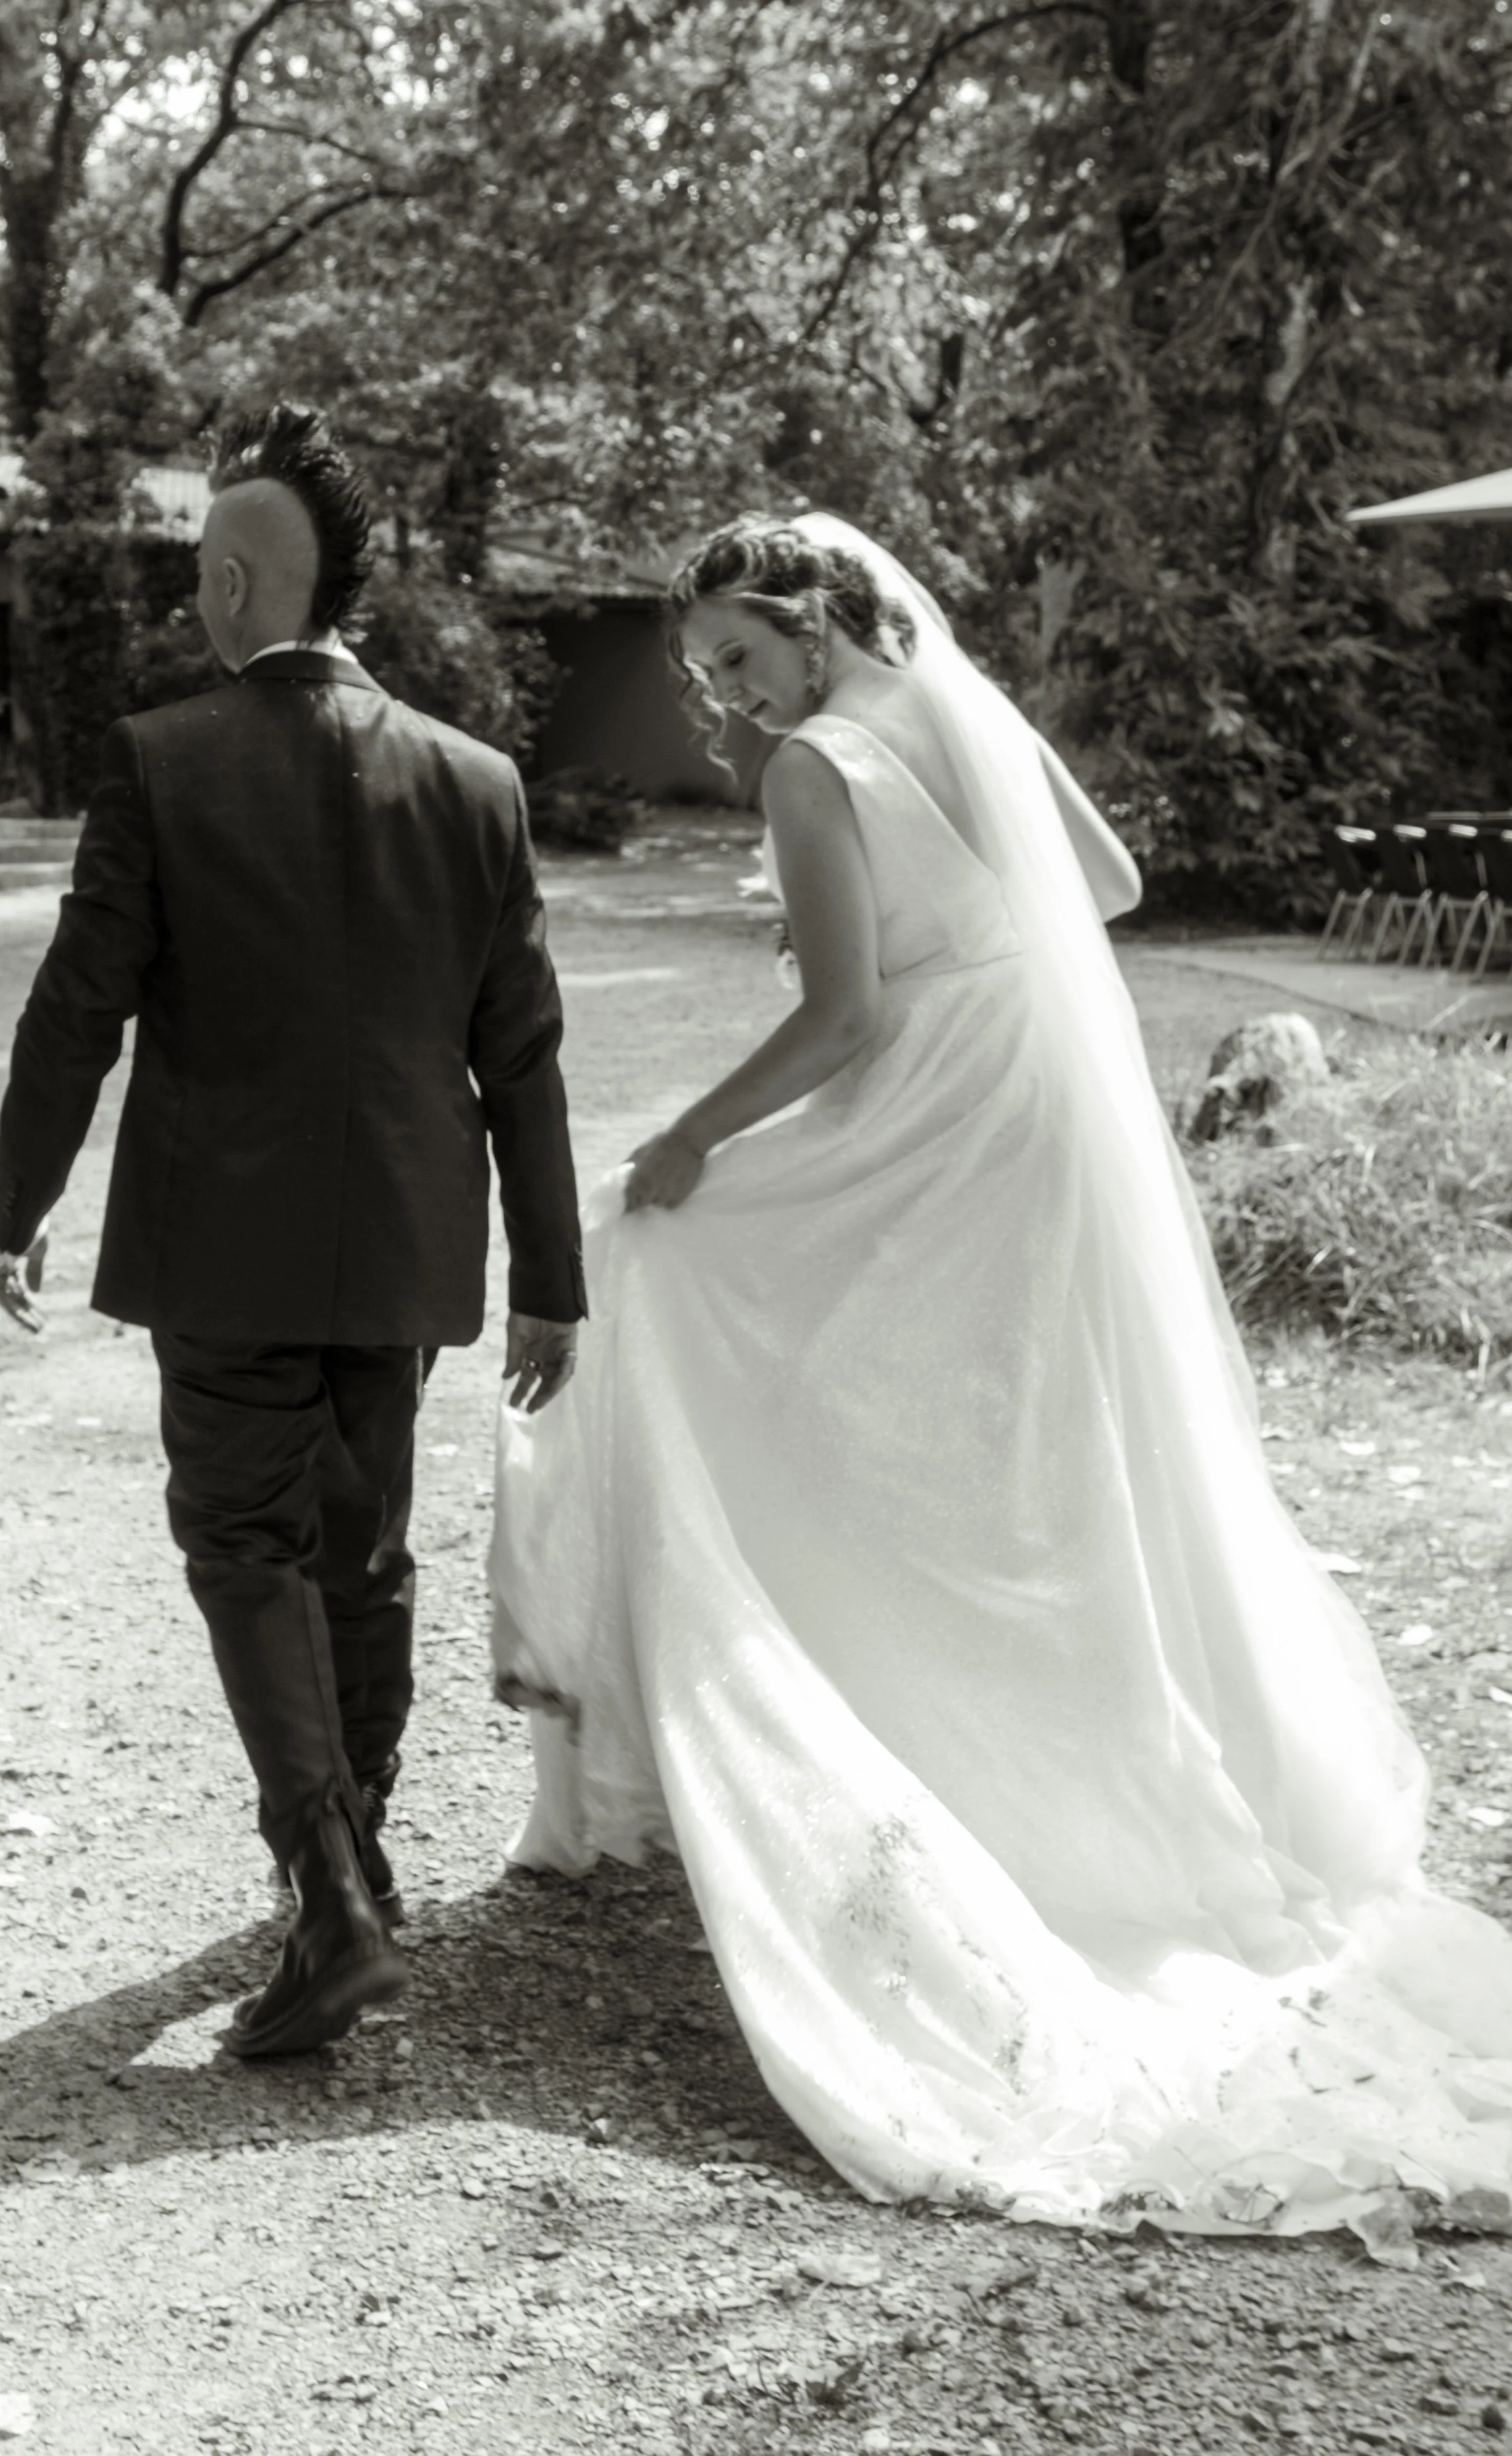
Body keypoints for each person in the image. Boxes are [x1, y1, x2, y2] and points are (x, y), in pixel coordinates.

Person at [489, 513, 1512, 2241]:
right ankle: (1044, 1741)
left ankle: (857, 1711)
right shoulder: (967, 709)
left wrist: (679, 1133)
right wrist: (946, 921)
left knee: (666, 1254)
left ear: (808, 624)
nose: (728, 699)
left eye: (740, 657)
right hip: (1045, 1099)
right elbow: (1100, 886)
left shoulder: (814, 765)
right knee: (1038, 1434)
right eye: (706, 677)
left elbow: (843, 1027)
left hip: (936, 1114)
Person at [0, 402, 585, 2058]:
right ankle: (359, 1858)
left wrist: (17, 1199)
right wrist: (549, 1281)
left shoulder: (161, 762)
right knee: (360, 1549)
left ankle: (326, 1895)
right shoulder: (477, 783)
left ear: (243, 586)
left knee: (243, 1543)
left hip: (225, 1246)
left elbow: (76, 1004)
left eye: (200, 573)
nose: (193, 600)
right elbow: (520, 1055)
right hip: (398, 1248)